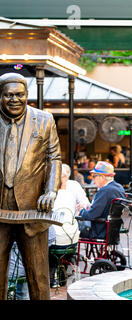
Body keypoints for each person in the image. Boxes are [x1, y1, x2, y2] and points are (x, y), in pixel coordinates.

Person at [0, 72, 61, 300]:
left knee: (38, 277)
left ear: (27, 95)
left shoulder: (44, 119)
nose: (15, 99)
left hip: (33, 209)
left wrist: (50, 191)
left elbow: (54, 158)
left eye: (20, 95)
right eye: (8, 95)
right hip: (0, 211)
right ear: (0, 97)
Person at [78, 161, 125, 239]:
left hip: (99, 231)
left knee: (72, 228)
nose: (93, 179)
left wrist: (81, 210)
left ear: (102, 177)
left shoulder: (105, 191)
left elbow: (91, 215)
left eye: (94, 176)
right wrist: (90, 206)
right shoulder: (119, 187)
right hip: (113, 230)